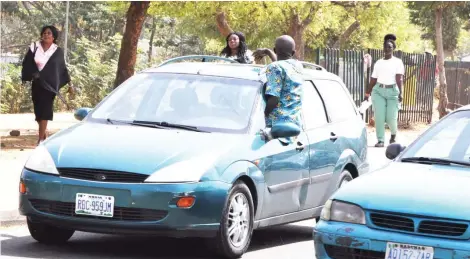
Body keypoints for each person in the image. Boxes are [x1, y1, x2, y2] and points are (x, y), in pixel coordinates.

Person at [21, 25, 74, 145]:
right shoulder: (34, 46)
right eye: (44, 33)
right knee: (38, 112)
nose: (46, 35)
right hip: (37, 83)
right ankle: (44, 134)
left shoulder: (57, 50)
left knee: (45, 110)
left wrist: (70, 84)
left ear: (54, 36)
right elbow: (27, 63)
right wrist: (29, 76)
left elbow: (62, 69)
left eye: (49, 33)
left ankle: (40, 140)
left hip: (49, 86)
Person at [254, 35, 304, 144]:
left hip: (277, 129)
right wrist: (267, 52)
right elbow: (280, 64)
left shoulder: (274, 67)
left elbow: (274, 99)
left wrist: (263, 114)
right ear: (293, 52)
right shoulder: (298, 66)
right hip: (294, 125)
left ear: (275, 50)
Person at [365, 34, 404, 147]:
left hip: (392, 92)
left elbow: (399, 78)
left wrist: (400, 92)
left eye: (389, 47)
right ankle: (380, 140)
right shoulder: (378, 62)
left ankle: (393, 135)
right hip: (378, 91)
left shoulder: (397, 62)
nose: (387, 49)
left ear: (393, 49)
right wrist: (367, 93)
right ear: (383, 48)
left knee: (391, 118)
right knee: (379, 117)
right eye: (385, 47)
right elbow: (373, 79)